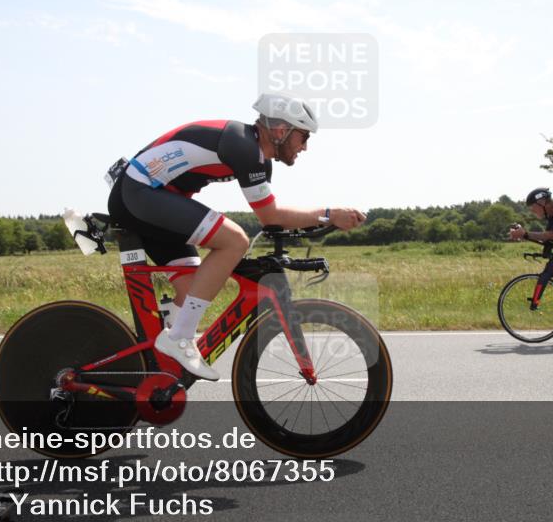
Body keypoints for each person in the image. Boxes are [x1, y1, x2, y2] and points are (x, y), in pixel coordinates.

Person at [107, 93, 366, 380]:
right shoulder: (243, 146)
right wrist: (329, 214)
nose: (304, 147)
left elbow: (273, 218)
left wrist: (321, 222)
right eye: (303, 137)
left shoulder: (258, 158)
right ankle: (179, 338)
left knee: (194, 284)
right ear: (282, 130)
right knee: (235, 241)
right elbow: (271, 216)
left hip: (153, 198)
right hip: (139, 193)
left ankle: (160, 368)